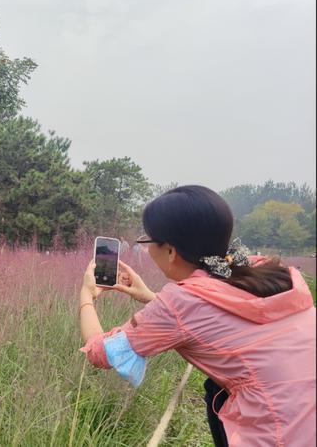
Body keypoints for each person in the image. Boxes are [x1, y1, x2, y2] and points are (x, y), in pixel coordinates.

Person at [78, 185, 315, 447]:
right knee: (215, 389)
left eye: (147, 241)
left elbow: (101, 353)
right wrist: (147, 295)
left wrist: (87, 295)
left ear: (170, 251)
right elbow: (217, 317)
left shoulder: (180, 303)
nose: (146, 249)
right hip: (307, 409)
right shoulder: (259, 271)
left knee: (216, 392)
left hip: (280, 430)